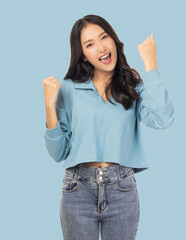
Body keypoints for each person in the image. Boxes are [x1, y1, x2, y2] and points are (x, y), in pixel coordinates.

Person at [42, 14, 174, 240]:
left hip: (122, 188)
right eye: (90, 44)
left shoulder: (133, 87)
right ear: (83, 55)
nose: (101, 47)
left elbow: (163, 119)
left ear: (114, 39)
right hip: (77, 189)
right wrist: (49, 106)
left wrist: (151, 65)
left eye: (104, 37)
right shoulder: (69, 89)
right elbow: (58, 153)